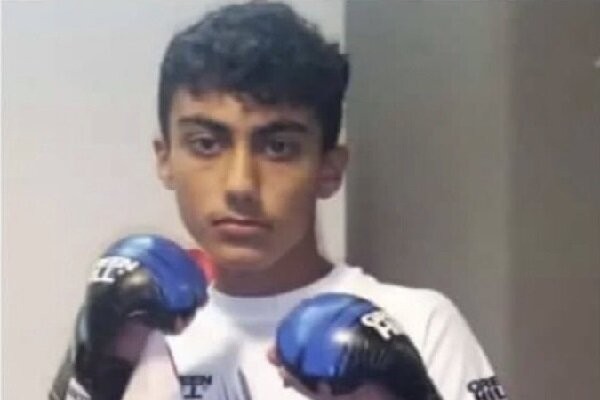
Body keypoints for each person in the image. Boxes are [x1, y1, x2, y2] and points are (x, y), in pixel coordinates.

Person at [56, 2, 508, 400]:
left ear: (328, 169)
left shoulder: (419, 323)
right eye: (206, 144)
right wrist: (92, 369)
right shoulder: (137, 336)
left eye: (278, 148)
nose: (240, 184)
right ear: (165, 159)